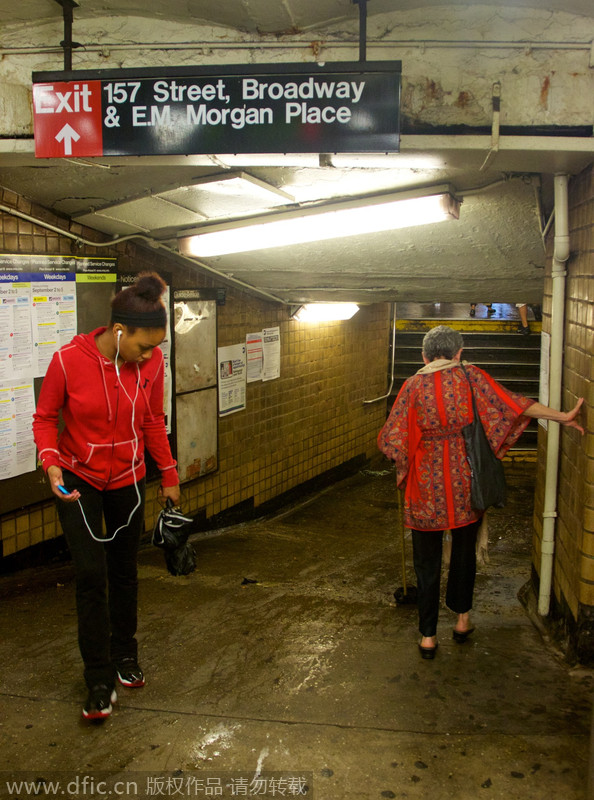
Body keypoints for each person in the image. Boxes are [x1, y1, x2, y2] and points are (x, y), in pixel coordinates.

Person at [377, 325, 584, 660]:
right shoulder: (470, 377)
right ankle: (462, 621)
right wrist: (562, 416)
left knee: (426, 564)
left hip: (425, 489)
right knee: (463, 553)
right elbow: (514, 405)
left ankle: (428, 637)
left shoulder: (413, 384)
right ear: (459, 353)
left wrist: (401, 459)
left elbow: (391, 439)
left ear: (424, 355)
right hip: (463, 484)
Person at [33, 272, 180, 720]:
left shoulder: (151, 365)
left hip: (129, 481)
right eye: (143, 346)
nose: (151, 355)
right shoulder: (67, 361)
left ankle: (124, 655)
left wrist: (169, 474)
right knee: (90, 575)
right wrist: (50, 459)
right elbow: (44, 419)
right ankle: (97, 676)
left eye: (156, 347)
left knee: (124, 571)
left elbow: (153, 420)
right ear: (120, 331)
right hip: (77, 481)